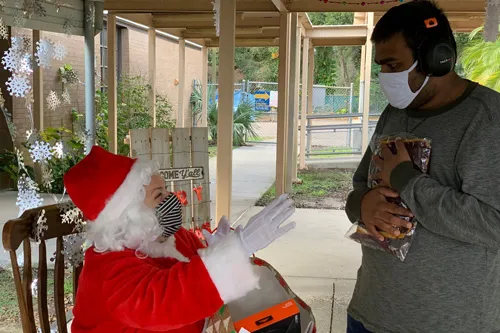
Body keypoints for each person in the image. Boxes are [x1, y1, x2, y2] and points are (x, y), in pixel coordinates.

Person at [345, 1, 500, 333]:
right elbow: (359, 187)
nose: (385, 77)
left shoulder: (487, 120)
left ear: (437, 58)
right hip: (369, 313)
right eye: (381, 67)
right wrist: (362, 204)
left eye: (393, 65)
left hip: (447, 323)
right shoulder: (395, 113)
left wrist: (407, 181)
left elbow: (494, 224)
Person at [63, 145, 296, 333]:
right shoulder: (106, 272)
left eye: (166, 190)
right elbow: (165, 303)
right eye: (159, 195)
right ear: (128, 213)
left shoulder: (170, 237)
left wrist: (221, 248)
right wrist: (237, 248)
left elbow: (197, 271)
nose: (171, 199)